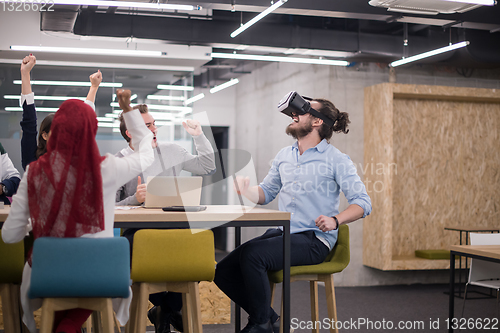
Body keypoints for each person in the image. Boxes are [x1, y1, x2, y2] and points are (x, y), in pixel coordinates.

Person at [214, 95, 372, 333]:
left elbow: (363, 203)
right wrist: (246, 191)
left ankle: (260, 324)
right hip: (283, 233)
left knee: (254, 256)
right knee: (223, 270)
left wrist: (336, 220)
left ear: (318, 122)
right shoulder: (284, 156)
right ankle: (270, 319)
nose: (293, 115)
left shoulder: (336, 159)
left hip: (314, 239)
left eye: (301, 112)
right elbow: (266, 193)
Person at [2, 89, 154, 333]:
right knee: (87, 281)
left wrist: (36, 224)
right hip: (100, 274)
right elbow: (146, 154)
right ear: (91, 131)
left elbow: (10, 236)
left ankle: (66, 326)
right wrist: (128, 111)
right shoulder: (107, 167)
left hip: (49, 274)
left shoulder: (34, 172)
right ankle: (70, 325)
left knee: (61, 286)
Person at [115, 104, 217, 333]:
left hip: (176, 227)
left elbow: (208, 167)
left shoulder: (172, 150)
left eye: (154, 124)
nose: (154, 129)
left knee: (201, 250)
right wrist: (134, 199)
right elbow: (109, 207)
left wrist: (199, 136)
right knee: (133, 254)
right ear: (130, 133)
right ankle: (166, 308)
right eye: (147, 126)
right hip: (140, 234)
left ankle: (164, 309)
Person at [19, 54, 102, 170]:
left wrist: (94, 87)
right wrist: (25, 73)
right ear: (44, 135)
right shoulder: (33, 161)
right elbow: (29, 122)